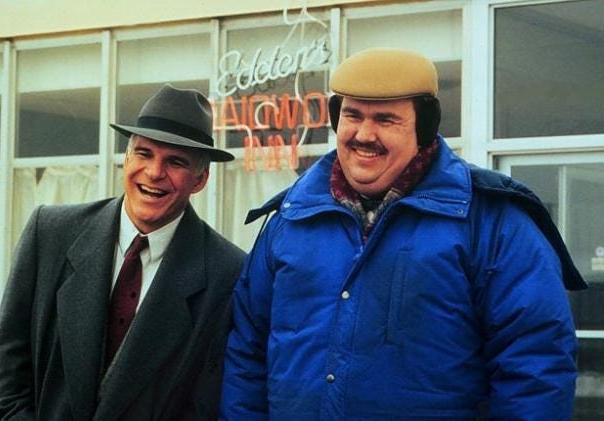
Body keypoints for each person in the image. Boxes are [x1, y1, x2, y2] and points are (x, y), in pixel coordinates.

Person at [220, 48, 588, 420]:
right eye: (352, 116)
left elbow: (535, 366)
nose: (364, 134)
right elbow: (247, 355)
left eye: (385, 120)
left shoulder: (492, 221)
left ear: (425, 127)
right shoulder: (290, 218)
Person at [0, 84, 246, 420]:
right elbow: (10, 377)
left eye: (175, 162)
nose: (154, 172)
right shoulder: (49, 233)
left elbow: (207, 404)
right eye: (144, 153)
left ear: (200, 180)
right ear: (125, 159)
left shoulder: (227, 274)